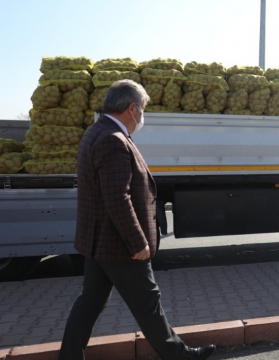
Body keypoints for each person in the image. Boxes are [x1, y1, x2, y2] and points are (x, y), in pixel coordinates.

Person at [59, 79, 216, 360]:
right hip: (117, 243)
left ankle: (68, 357)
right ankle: (179, 356)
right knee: (147, 301)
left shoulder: (97, 132)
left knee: (90, 303)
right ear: (132, 108)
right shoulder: (113, 140)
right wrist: (137, 242)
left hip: (99, 242)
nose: (143, 115)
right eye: (142, 109)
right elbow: (118, 199)